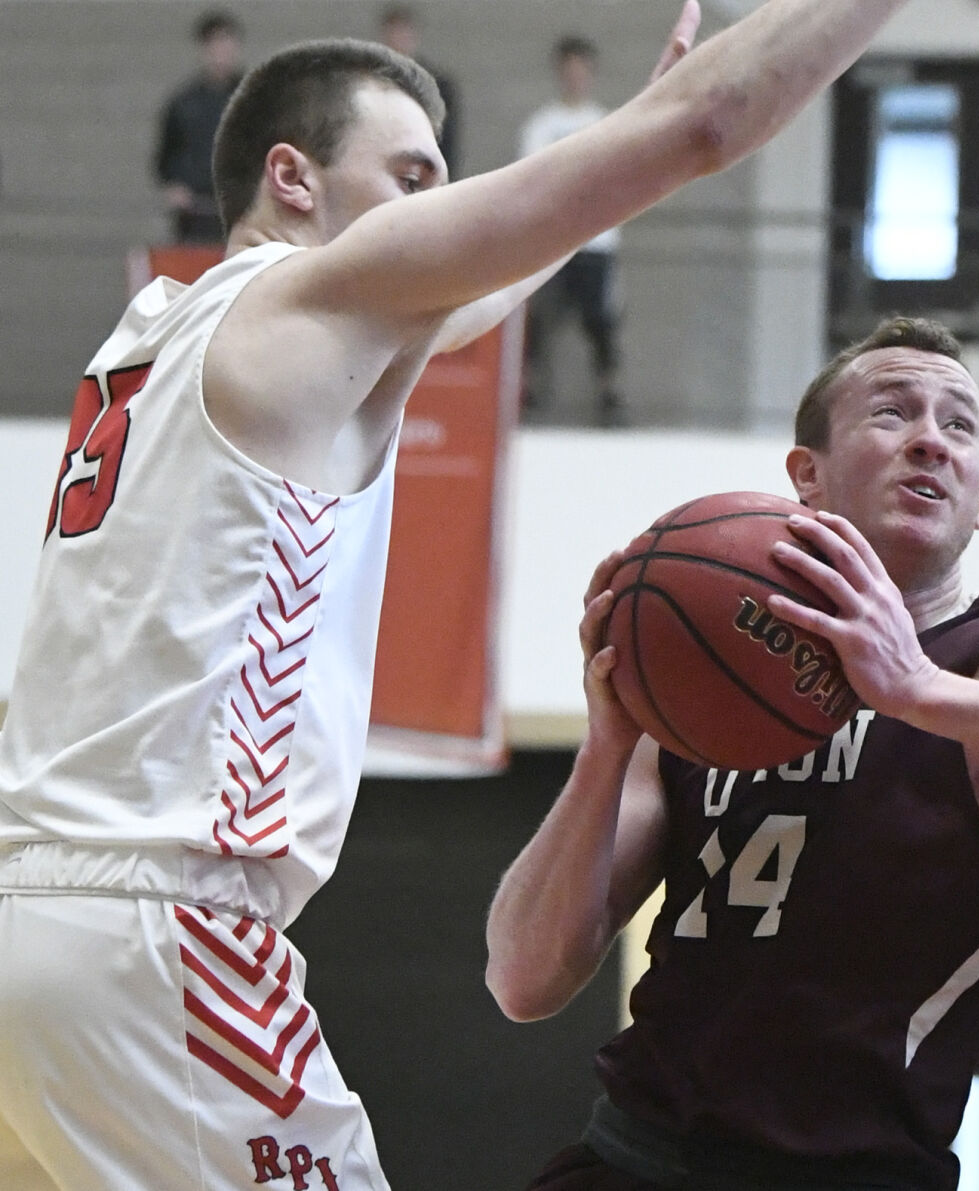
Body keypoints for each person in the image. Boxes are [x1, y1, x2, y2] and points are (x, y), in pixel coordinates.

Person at [0, 1, 920, 1186]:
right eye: (413, 174)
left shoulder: (157, 333)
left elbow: (477, 284)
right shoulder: (301, 301)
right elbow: (715, 119)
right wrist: (655, 129)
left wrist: (612, 172)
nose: (441, 204)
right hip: (157, 933)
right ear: (293, 176)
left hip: (32, 910)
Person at [485, 316, 979, 1190]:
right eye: (893, 412)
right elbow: (523, 978)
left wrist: (917, 689)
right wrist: (609, 746)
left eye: (960, 425)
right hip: (634, 1157)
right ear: (807, 475)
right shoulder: (708, 681)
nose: (932, 439)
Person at [518, 36, 625, 424]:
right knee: (541, 320)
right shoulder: (542, 126)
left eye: (582, 71)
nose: (576, 78)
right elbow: (533, 181)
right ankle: (529, 391)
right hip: (551, 244)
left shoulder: (605, 123)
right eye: (569, 71)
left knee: (600, 320)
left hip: (595, 243)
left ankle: (608, 393)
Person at [153, 8, 244, 243]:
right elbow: (166, 157)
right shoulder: (183, 104)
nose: (220, 52)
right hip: (195, 215)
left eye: (225, 42)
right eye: (213, 44)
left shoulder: (254, 98)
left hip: (242, 212)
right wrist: (174, 187)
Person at [377, 3, 461, 176]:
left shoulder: (438, 85)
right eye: (394, 33)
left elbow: (447, 139)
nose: (398, 39)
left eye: (403, 33)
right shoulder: (373, 82)